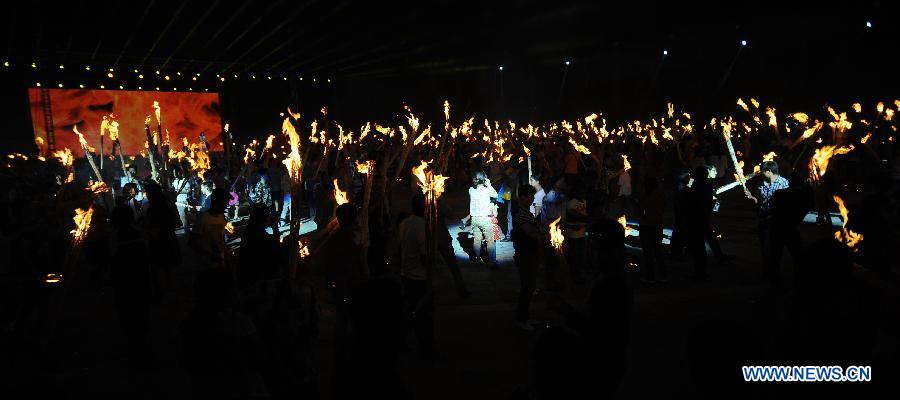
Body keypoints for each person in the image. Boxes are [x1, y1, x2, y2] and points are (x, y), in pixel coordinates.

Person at [179, 268, 268, 399]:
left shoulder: (189, 325)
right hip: (240, 387)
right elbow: (258, 358)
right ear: (226, 294)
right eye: (234, 287)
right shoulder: (238, 324)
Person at [398, 194, 441, 360]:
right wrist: (433, 268)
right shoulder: (421, 226)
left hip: (406, 273)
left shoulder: (405, 222)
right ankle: (428, 351)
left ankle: (401, 340)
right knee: (423, 316)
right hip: (418, 277)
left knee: (411, 311)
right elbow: (425, 255)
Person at [746, 161, 790, 285]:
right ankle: (767, 273)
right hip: (763, 220)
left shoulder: (784, 184)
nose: (761, 174)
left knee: (775, 249)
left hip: (777, 222)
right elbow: (758, 201)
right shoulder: (761, 183)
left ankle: (775, 274)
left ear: (769, 172)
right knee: (765, 249)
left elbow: (785, 205)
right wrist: (751, 197)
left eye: (762, 172)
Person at [143, 180, 182, 302]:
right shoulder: (158, 206)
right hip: (164, 239)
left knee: (161, 266)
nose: (147, 195)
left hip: (161, 240)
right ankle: (166, 290)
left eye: (149, 193)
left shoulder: (159, 208)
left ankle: (164, 292)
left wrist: (152, 229)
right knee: (164, 267)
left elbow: (171, 222)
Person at [512, 185, 541, 331]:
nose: (531, 199)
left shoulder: (524, 211)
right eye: (529, 196)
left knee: (529, 287)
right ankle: (521, 320)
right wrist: (539, 230)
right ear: (521, 197)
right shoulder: (520, 213)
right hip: (525, 254)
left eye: (532, 196)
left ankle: (525, 317)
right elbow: (530, 232)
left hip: (529, 252)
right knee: (527, 287)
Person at [637, 176, 666, 283]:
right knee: (658, 251)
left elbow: (640, 211)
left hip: (647, 225)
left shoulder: (646, 197)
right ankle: (663, 275)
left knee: (648, 252)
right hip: (657, 225)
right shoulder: (660, 196)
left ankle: (650, 276)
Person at [192, 188, 229, 269]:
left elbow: (220, 239)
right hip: (207, 266)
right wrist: (209, 255)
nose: (227, 205)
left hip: (220, 262)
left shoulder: (221, 217)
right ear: (217, 201)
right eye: (225, 202)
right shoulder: (203, 218)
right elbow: (192, 242)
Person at [468, 171, 498, 266]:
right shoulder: (487, 190)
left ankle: (477, 259)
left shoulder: (471, 190)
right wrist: (489, 185)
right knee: (490, 241)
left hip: (475, 219)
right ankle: (490, 261)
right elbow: (495, 195)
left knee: (476, 240)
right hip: (485, 218)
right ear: (484, 180)